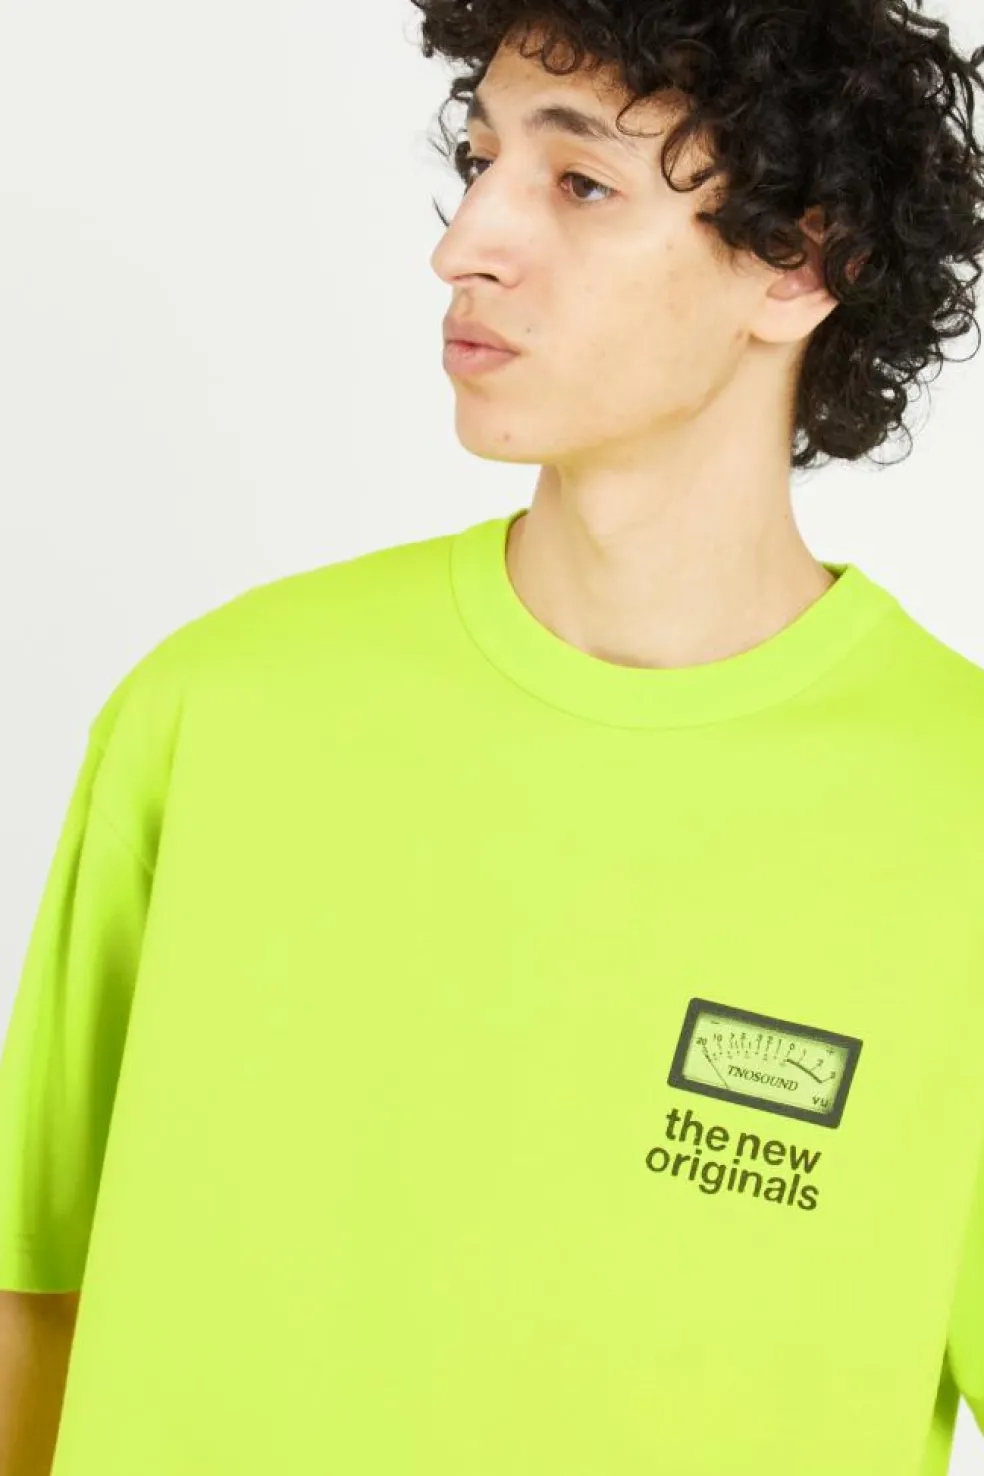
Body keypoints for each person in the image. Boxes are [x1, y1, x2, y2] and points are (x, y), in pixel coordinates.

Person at [3, 3, 984, 1474]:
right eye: (478, 161)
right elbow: (33, 1291)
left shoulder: (958, 816)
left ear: (796, 264)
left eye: (579, 182)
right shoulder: (216, 709)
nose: (464, 243)